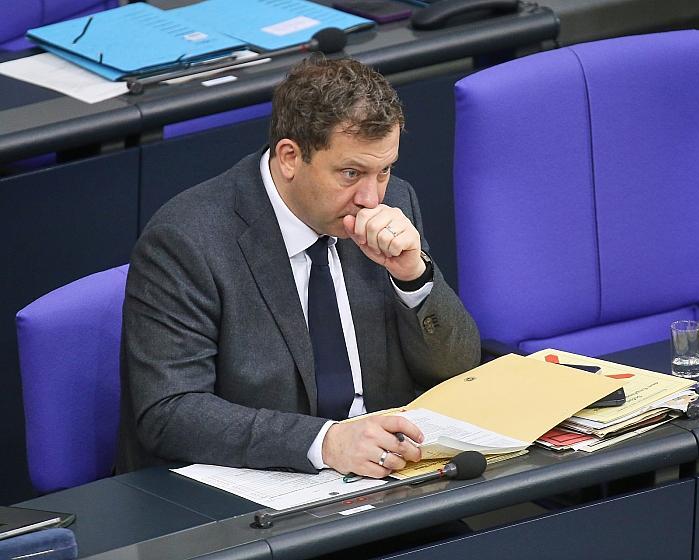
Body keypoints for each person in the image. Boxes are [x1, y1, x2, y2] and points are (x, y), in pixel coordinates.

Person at [116, 56, 481, 478]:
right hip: (252, 486)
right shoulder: (187, 240)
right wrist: (325, 443)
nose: (371, 198)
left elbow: (459, 369)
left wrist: (413, 276)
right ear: (290, 157)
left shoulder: (393, 205)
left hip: (381, 475)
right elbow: (169, 412)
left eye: (384, 171)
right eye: (350, 173)